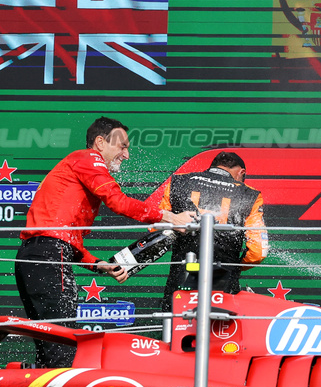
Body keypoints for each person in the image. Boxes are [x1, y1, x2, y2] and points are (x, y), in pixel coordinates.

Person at [15, 116, 194, 368]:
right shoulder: (89, 158)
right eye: (122, 146)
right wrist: (170, 216)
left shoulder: (76, 170)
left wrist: (99, 265)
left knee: (50, 343)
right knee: (62, 343)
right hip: (49, 256)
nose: (127, 154)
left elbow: (65, 239)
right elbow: (117, 202)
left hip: (36, 257)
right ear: (100, 143)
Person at [150, 150, 268, 305]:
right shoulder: (250, 194)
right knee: (219, 327)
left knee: (175, 324)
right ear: (241, 172)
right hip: (224, 280)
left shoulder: (178, 182)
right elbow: (258, 252)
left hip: (182, 274)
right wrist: (236, 267)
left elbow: (156, 230)